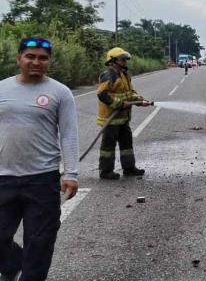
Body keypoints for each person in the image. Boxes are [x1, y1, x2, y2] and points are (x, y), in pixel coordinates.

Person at [0, 37, 80, 281]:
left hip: (42, 180)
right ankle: (12, 263)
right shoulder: (2, 88)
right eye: (30, 56)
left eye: (42, 58)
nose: (36, 62)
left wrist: (71, 174)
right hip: (4, 178)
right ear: (19, 58)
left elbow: (68, 134)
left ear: (49, 61)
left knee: (39, 242)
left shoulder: (60, 92)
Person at [96, 47, 149, 180]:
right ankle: (106, 171)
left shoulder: (124, 74)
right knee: (108, 147)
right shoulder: (109, 75)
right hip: (110, 118)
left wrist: (139, 99)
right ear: (113, 61)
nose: (125, 61)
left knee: (126, 144)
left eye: (125, 59)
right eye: (122, 59)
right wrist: (119, 104)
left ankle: (129, 168)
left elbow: (130, 93)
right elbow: (102, 94)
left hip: (123, 118)